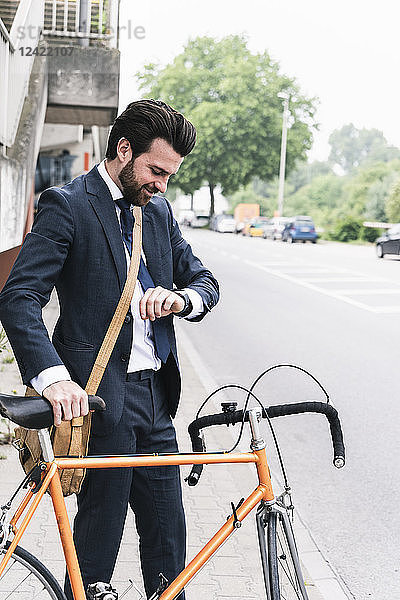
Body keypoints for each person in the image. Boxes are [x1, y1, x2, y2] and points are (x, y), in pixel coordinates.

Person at [0, 99, 219, 599]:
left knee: (169, 542)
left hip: (157, 400)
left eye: (170, 174)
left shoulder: (158, 212)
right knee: (99, 542)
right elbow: (19, 297)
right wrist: (53, 379)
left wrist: (181, 299)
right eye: (156, 170)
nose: (163, 184)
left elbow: (205, 280)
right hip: (100, 400)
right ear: (123, 149)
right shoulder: (68, 204)